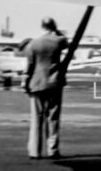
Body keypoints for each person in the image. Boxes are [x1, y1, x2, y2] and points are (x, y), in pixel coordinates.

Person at [24, 17, 69, 160]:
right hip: (54, 82)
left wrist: (26, 83)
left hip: (36, 82)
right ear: (54, 26)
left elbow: (30, 66)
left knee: (36, 118)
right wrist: (57, 31)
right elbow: (65, 42)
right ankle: (52, 150)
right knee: (53, 117)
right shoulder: (59, 41)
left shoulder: (33, 43)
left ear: (41, 26)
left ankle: (34, 151)